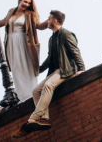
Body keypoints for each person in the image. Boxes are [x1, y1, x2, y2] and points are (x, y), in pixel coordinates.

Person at [12, 10, 85, 138]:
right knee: (35, 91)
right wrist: (39, 69)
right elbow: (50, 58)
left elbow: (75, 52)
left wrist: (82, 69)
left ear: (55, 21)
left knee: (48, 86)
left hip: (66, 69)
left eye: (49, 18)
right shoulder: (52, 39)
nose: (47, 21)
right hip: (56, 71)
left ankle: (33, 118)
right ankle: (44, 119)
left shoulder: (66, 34)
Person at [0, 0, 49, 101]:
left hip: (23, 42)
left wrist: (50, 21)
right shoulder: (11, 11)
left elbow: (38, 25)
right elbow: (5, 21)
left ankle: (32, 95)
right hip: (11, 42)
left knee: (25, 67)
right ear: (20, 0)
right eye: (25, 2)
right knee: (16, 68)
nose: (26, 4)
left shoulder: (29, 14)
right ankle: (22, 97)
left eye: (28, 3)